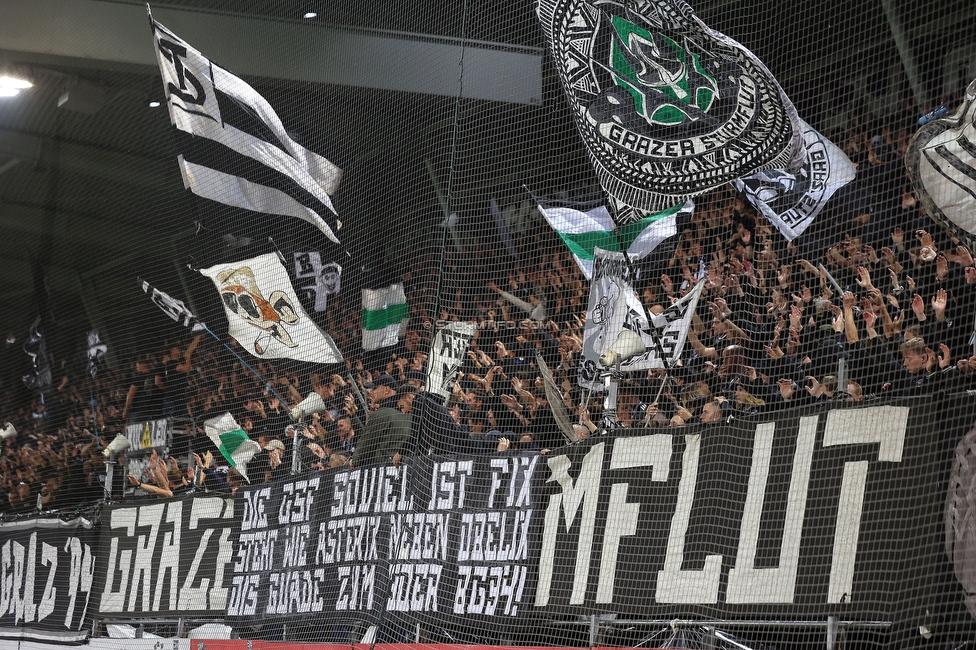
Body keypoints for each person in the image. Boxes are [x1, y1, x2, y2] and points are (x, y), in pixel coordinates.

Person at [351, 375, 412, 468]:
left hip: (384, 468)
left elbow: (366, 444)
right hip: (410, 466)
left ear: (387, 390)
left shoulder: (382, 414)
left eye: (375, 388)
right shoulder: (410, 413)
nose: (371, 392)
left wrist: (355, 460)